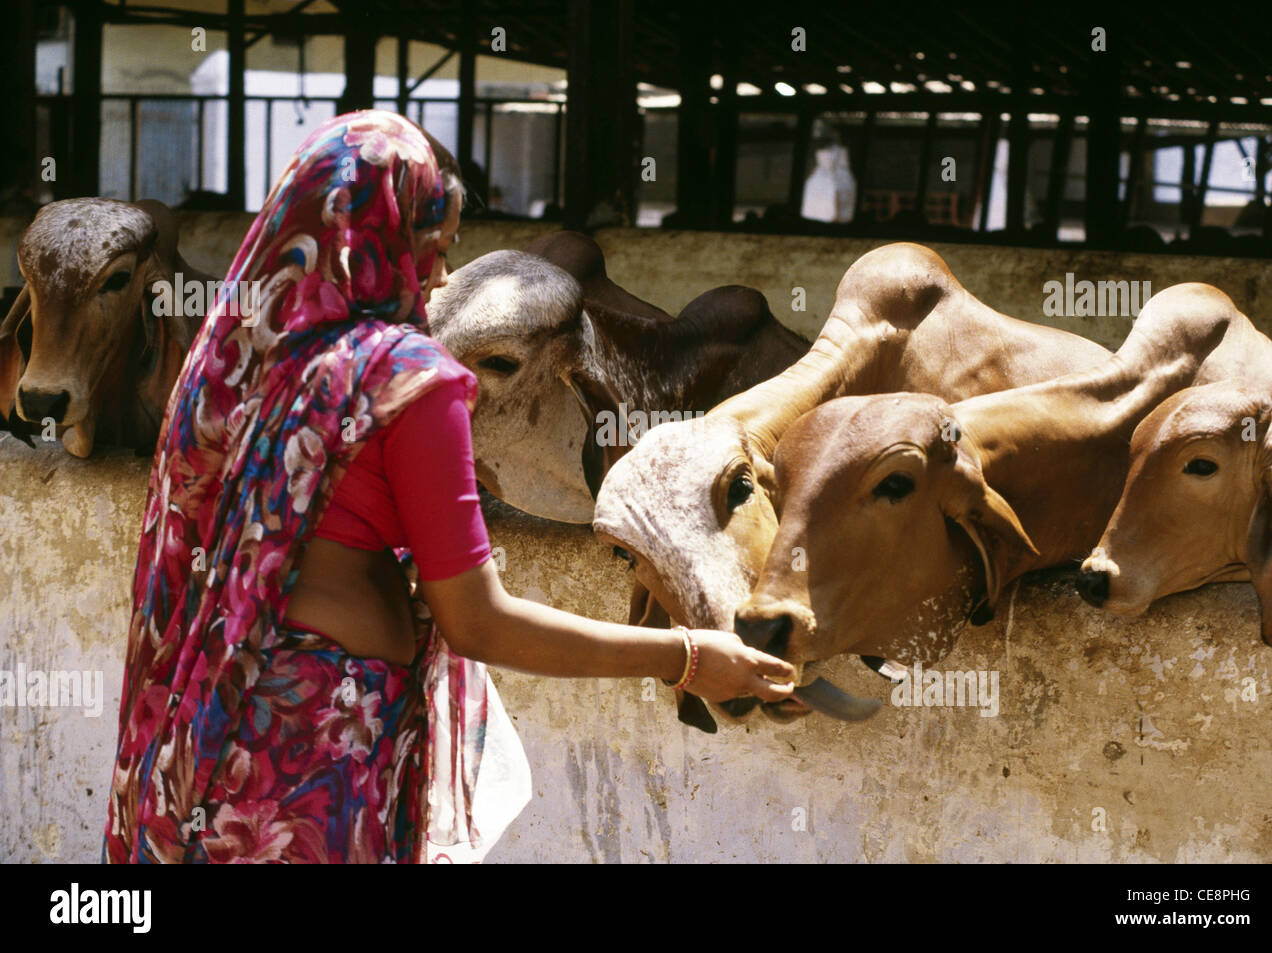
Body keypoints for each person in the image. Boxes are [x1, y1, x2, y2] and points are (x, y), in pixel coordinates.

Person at [104, 110, 795, 864]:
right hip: (319, 757)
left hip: (203, 735)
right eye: (432, 243)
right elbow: (479, 622)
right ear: (377, 234)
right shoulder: (409, 377)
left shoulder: (227, 363)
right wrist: (686, 655)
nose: (437, 278)